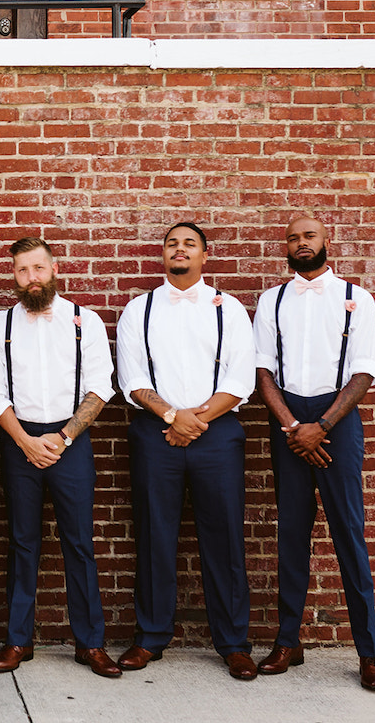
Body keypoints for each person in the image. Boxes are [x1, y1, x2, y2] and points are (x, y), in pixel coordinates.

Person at [114, 223, 258, 680]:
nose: (180, 249)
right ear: (163, 254)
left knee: (225, 539)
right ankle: (151, 637)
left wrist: (195, 419)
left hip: (216, 434)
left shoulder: (229, 310)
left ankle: (233, 643)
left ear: (204, 255)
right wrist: (173, 418)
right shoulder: (139, 309)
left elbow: (240, 379)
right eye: (172, 243)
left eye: (189, 244)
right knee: (154, 535)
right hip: (158, 434)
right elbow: (132, 378)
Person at [253, 216, 375, 691]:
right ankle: (287, 642)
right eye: (292, 237)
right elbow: (263, 371)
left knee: (349, 534)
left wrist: (323, 426)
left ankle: (369, 653)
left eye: (308, 236)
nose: (300, 243)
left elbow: (364, 372)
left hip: (338, 422)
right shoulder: (271, 301)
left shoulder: (357, 298)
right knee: (290, 535)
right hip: (288, 423)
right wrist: (293, 427)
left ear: (326, 241)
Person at [0, 238, 121, 678]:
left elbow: (101, 386)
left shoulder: (85, 321)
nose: (32, 278)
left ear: (53, 267)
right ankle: (18, 640)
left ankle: (90, 643)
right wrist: (24, 440)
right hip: (18, 440)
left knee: (79, 543)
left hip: (71, 442)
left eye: (38, 268)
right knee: (23, 543)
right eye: (22, 271)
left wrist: (63, 437)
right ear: (15, 276)